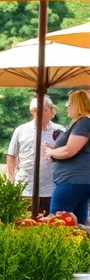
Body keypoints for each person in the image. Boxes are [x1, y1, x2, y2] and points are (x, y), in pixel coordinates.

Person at [7, 96, 63, 215]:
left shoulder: (59, 131)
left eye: (48, 109)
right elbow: (11, 155)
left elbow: (67, 153)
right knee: (25, 222)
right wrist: (11, 180)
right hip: (26, 188)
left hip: (52, 188)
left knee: (51, 223)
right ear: (32, 112)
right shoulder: (21, 130)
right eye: (40, 110)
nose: (48, 113)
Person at [43, 90, 90, 224]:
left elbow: (70, 150)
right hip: (81, 182)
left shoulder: (83, 122)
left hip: (72, 181)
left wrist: (50, 152)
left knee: (57, 223)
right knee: (77, 225)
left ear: (76, 104)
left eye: (68, 103)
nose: (66, 107)